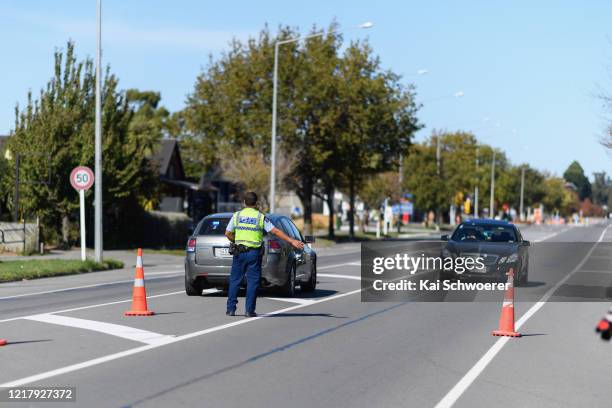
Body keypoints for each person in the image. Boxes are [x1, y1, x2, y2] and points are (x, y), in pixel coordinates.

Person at [224, 191, 304, 317]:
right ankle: (249, 311)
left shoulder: (237, 215)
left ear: (244, 203)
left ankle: (231, 309)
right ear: (256, 203)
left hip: (239, 252)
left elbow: (227, 233)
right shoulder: (260, 217)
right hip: (253, 254)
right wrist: (292, 241)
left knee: (235, 280)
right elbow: (275, 231)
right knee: (252, 282)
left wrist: (236, 240)